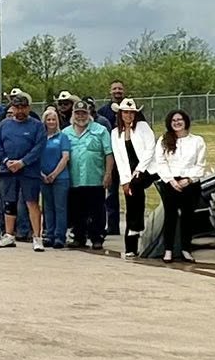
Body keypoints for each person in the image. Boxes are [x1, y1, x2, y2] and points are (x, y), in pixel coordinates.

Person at [147, 108, 208, 262]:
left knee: (188, 217)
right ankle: (168, 250)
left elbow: (200, 164)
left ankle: (186, 249)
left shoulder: (197, 141)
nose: (177, 123)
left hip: (190, 183)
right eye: (173, 121)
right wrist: (172, 181)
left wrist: (188, 180)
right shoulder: (164, 140)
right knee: (170, 217)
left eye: (179, 119)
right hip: (170, 183)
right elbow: (160, 163)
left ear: (186, 121)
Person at [0, 89, 46, 248]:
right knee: (9, 203)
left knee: (31, 202)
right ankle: (9, 235)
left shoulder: (37, 125)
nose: (20, 111)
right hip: (8, 170)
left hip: (29, 170)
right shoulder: (4, 124)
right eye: (17, 108)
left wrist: (23, 162)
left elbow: (39, 147)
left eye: (23, 107)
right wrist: (6, 161)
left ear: (28, 108)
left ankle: (37, 238)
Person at [107, 99, 158, 256]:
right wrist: (125, 181)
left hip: (148, 168)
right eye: (125, 112)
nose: (128, 115)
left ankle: (136, 227)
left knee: (135, 187)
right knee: (131, 196)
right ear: (120, 114)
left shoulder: (143, 127)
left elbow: (150, 149)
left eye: (131, 113)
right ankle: (131, 245)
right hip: (130, 173)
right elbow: (120, 159)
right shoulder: (116, 133)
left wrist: (139, 170)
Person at [65, 101, 112, 249]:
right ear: (73, 114)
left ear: (89, 114)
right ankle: (79, 237)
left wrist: (108, 173)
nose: (80, 116)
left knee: (97, 210)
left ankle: (97, 237)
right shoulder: (66, 132)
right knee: (77, 210)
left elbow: (108, 154)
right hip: (74, 178)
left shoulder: (101, 130)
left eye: (83, 113)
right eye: (77, 113)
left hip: (95, 178)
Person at [94, 80, 128, 234]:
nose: (117, 91)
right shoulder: (103, 112)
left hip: (128, 158)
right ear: (110, 91)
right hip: (112, 158)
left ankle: (134, 226)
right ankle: (113, 226)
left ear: (124, 90)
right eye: (114, 88)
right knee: (112, 193)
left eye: (120, 88)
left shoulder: (130, 108)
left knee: (131, 192)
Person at [37, 107, 72, 251]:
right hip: (43, 177)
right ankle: (49, 234)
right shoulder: (40, 137)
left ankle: (60, 236)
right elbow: (35, 156)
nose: (51, 122)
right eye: (48, 119)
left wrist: (54, 174)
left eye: (53, 119)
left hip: (60, 177)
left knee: (60, 207)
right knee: (47, 208)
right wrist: (41, 174)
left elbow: (65, 157)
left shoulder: (62, 137)